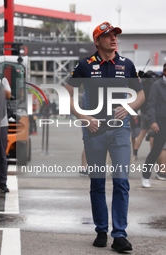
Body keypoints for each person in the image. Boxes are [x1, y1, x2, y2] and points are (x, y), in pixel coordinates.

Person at [65, 21, 144, 252]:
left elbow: (140, 95)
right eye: (108, 35)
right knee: (97, 183)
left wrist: (129, 107)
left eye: (115, 35)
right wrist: (83, 117)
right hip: (94, 132)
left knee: (121, 182)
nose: (113, 39)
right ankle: (101, 230)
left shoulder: (126, 64)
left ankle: (119, 235)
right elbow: (67, 95)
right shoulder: (85, 66)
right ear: (97, 41)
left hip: (121, 131)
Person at [141, 63, 166, 187]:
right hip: (161, 122)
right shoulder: (157, 85)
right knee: (156, 150)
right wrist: (153, 121)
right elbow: (151, 105)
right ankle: (145, 176)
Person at [0, 77, 11, 193]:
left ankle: (3, 183)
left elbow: (8, 95)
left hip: (1, 123)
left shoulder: (3, 80)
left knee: (2, 154)